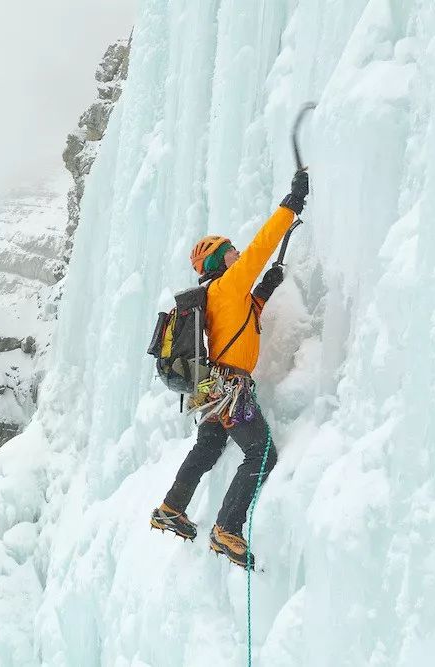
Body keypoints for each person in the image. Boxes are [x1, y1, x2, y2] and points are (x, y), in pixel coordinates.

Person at [149, 169, 310, 569]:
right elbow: (262, 245)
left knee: (208, 447)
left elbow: (242, 323)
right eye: (231, 252)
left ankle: (171, 507)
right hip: (230, 386)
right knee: (261, 453)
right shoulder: (229, 283)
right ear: (220, 260)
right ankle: (227, 529)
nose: (239, 254)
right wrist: (291, 205)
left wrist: (264, 291)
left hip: (211, 386)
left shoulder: (220, 295)